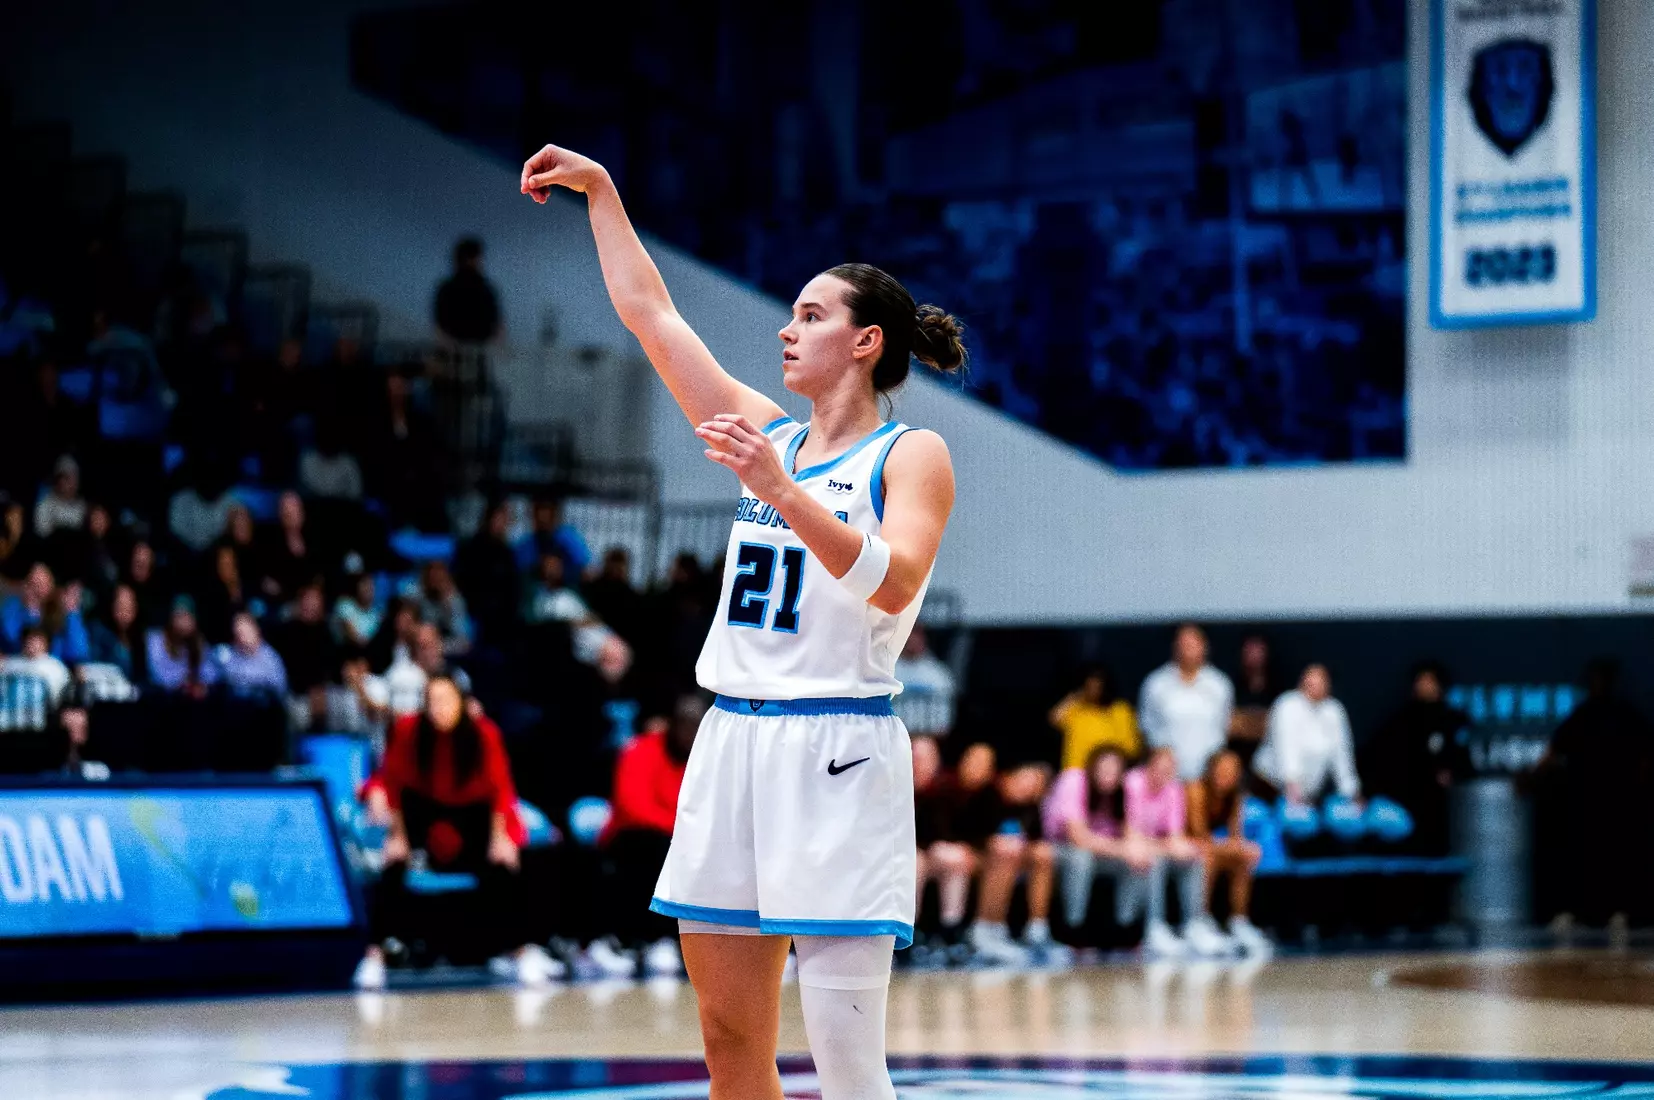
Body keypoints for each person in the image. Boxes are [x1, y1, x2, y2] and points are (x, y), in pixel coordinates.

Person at [525, 141, 964, 1100]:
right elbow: (652, 316)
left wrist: (781, 491)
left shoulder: (910, 453)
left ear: (867, 341)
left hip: (837, 746)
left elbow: (895, 585)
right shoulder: (766, 434)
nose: (785, 330)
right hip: (731, 740)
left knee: (847, 1061)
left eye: (810, 315)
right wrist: (601, 190)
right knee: (729, 1042)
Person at [354, 675, 561, 990]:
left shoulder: (484, 733)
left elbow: (499, 788)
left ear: (463, 704)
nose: (439, 708)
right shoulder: (409, 730)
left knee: (503, 868)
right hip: (423, 810)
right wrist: (398, 836)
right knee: (393, 866)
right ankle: (374, 956)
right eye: (432, 701)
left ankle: (521, 951)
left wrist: (500, 837)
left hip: (473, 814)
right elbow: (394, 783)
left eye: (446, 700)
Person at [595, 692, 703, 978]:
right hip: (632, 839)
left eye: (696, 728)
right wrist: (683, 830)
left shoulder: (705, 760)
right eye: (685, 726)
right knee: (658, 850)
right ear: (672, 724)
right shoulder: (640, 750)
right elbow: (633, 808)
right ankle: (655, 940)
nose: (690, 735)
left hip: (681, 837)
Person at [1124, 746, 1231, 957]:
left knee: (1194, 856)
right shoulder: (1132, 782)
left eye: (1170, 770)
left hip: (1156, 845)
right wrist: (1164, 846)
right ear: (1148, 766)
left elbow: (1175, 834)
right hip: (1127, 844)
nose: (1164, 774)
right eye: (1160, 768)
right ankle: (1154, 927)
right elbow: (1130, 831)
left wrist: (1184, 847)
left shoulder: (1173, 788)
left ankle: (1194, 925)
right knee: (1154, 859)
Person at [1043, 747, 1156, 944]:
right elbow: (1078, 837)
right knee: (1081, 858)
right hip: (1060, 848)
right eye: (1104, 769)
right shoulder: (1074, 780)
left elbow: (1130, 831)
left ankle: (1125, 929)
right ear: (1092, 767)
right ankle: (1072, 929)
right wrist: (1123, 850)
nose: (1109, 775)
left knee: (1141, 859)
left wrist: (1137, 849)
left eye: (1115, 771)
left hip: (1102, 851)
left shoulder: (1123, 789)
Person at [1365, 661, 1470, 854]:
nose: (1425, 686)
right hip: (1405, 799)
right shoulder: (1401, 720)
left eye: (1430, 681)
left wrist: (1449, 774)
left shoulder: (1454, 720)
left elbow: (1464, 763)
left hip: (1444, 808)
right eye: (1421, 681)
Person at [1186, 749, 1270, 954]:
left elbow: (1235, 837)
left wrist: (1243, 849)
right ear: (1210, 770)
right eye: (1222, 769)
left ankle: (1239, 922)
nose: (1227, 775)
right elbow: (1199, 835)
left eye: (1233, 771)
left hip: (1208, 847)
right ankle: (1200, 920)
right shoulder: (1196, 790)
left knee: (1243, 860)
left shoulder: (1235, 796)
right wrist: (1235, 847)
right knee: (1207, 858)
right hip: (1184, 843)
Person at [1253, 663, 1361, 806]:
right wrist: (1292, 785)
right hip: (1269, 785)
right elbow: (1286, 747)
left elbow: (1342, 754)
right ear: (1302, 681)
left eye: (1320, 681)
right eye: (1311, 681)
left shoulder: (1334, 711)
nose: (1315, 685)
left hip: (1307, 793)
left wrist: (1352, 792)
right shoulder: (1287, 704)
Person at [1139, 624, 1233, 782]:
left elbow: (1224, 727)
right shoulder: (1155, 683)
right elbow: (1147, 729)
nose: (1188, 648)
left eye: (1193, 643)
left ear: (1205, 646)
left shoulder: (1220, 684)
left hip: (1209, 779)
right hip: (1166, 779)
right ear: (1174, 646)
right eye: (1183, 643)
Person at [911, 735, 975, 958]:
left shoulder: (947, 788)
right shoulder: (893, 785)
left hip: (934, 851)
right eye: (915, 757)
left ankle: (951, 931)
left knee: (955, 858)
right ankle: (910, 935)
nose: (920, 763)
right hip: (903, 854)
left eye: (926, 758)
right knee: (914, 862)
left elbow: (954, 832)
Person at [1050, 666, 1140, 771]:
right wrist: (1075, 696)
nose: (1094, 690)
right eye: (1089, 686)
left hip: (1109, 772)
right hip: (1077, 772)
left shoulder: (1120, 710)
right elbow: (1054, 719)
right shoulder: (1075, 708)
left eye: (1098, 686)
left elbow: (1132, 749)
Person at [432, 237, 502, 345]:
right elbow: (439, 326)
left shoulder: (487, 291)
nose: (469, 262)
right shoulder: (447, 290)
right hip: (453, 349)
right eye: (466, 257)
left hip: (481, 349)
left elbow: (497, 327)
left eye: (472, 257)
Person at [146, 595, 217, 698]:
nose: (183, 622)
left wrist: (202, 685)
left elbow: (212, 673)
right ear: (171, 618)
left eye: (188, 617)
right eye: (179, 616)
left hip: (190, 701)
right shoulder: (156, 639)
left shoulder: (198, 642)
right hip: (161, 699)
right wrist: (183, 682)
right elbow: (157, 676)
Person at [892, 624, 956, 740]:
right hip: (893, 737)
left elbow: (944, 725)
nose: (912, 639)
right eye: (908, 634)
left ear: (923, 638)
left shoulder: (939, 674)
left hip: (928, 739)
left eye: (916, 634)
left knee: (922, 747)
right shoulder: (886, 671)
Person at [1228, 634, 1278, 766]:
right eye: (1250, 650)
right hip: (1236, 755)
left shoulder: (1278, 685)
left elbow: (1277, 724)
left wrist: (1245, 722)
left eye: (1258, 650)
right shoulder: (1231, 684)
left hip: (1269, 761)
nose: (1254, 656)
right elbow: (1230, 724)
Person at [214, 612, 288, 698]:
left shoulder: (270, 658)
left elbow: (280, 690)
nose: (242, 638)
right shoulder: (227, 654)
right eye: (238, 633)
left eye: (245, 632)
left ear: (256, 631)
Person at [3, 626, 71, 708]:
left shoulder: (56, 667)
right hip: (13, 711)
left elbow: (59, 696)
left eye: (38, 641)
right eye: (30, 640)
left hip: (44, 711)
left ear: (46, 643)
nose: (33, 644)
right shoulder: (10, 664)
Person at [33, 455, 87, 538]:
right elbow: (41, 532)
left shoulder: (83, 507)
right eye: (63, 478)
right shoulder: (45, 504)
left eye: (71, 478)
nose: (67, 483)